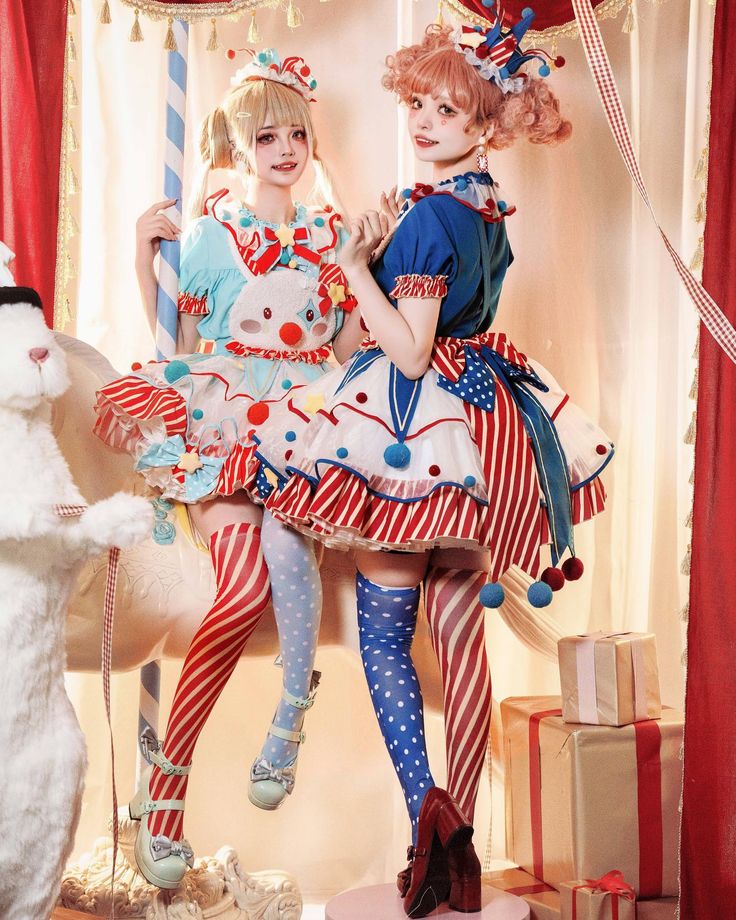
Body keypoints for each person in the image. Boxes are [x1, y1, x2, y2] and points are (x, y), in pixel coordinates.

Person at [248, 16, 612, 918]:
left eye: (446, 110)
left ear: (486, 123)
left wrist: (351, 261)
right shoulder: (485, 205)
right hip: (478, 423)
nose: (422, 121)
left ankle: (427, 824)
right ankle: (466, 842)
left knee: (383, 634)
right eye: (417, 103)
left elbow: (408, 352)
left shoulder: (431, 218)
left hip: (410, 423)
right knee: (460, 634)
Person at [93, 48, 359, 890]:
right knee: (242, 591)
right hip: (227, 413)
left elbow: (349, 346)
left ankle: (290, 713)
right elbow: (177, 337)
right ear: (239, 148)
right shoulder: (211, 233)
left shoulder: (328, 237)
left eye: (297, 133)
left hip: (307, 420)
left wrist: (366, 281)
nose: (285, 148)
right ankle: (165, 785)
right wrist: (145, 255)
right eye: (267, 135)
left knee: (290, 559)